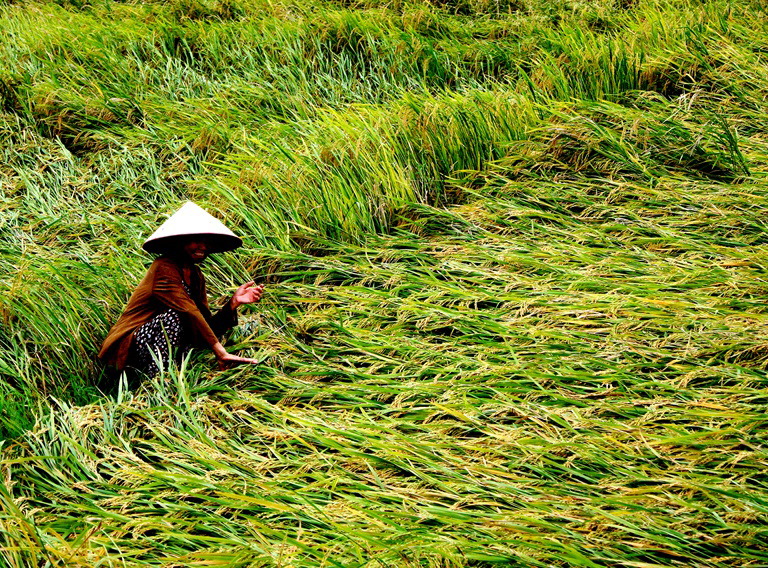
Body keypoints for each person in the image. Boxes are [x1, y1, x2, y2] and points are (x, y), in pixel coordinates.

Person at [98, 201, 263, 380]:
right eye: (196, 241)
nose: (203, 247)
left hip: (163, 344)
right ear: (179, 242)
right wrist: (220, 351)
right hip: (131, 347)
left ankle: (173, 375)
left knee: (190, 328)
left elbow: (203, 325)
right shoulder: (163, 267)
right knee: (174, 317)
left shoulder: (195, 275)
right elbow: (187, 310)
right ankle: (159, 382)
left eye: (206, 242)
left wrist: (232, 304)